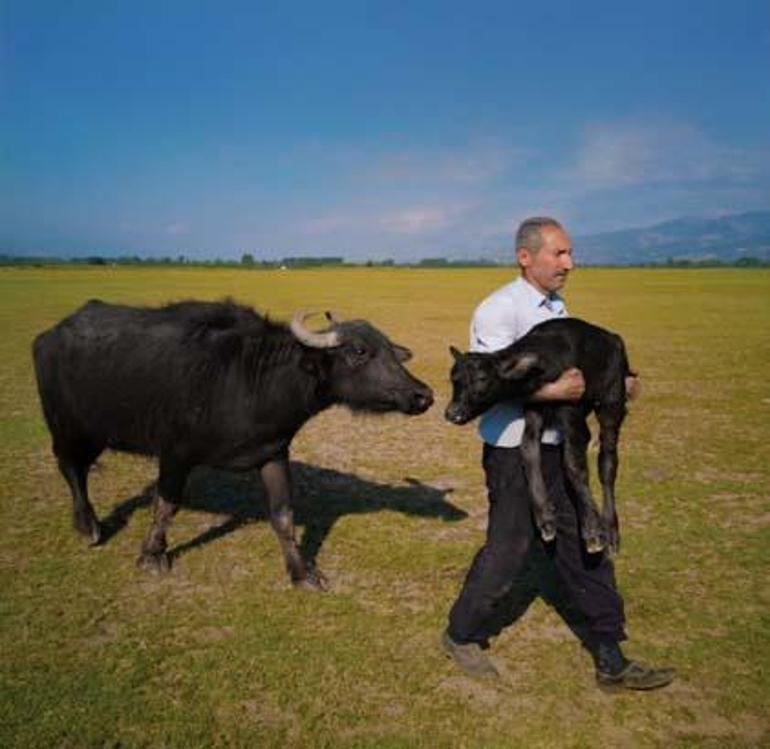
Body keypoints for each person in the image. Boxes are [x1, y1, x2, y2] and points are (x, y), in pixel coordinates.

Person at [442, 216, 675, 690]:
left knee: (583, 541)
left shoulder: (557, 309)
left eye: (570, 253)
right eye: (559, 253)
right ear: (525, 257)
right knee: (511, 546)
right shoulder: (498, 310)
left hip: (561, 448)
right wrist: (554, 392)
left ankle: (610, 655)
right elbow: (485, 384)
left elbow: (577, 371)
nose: (569, 263)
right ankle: (460, 634)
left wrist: (614, 382)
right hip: (513, 449)